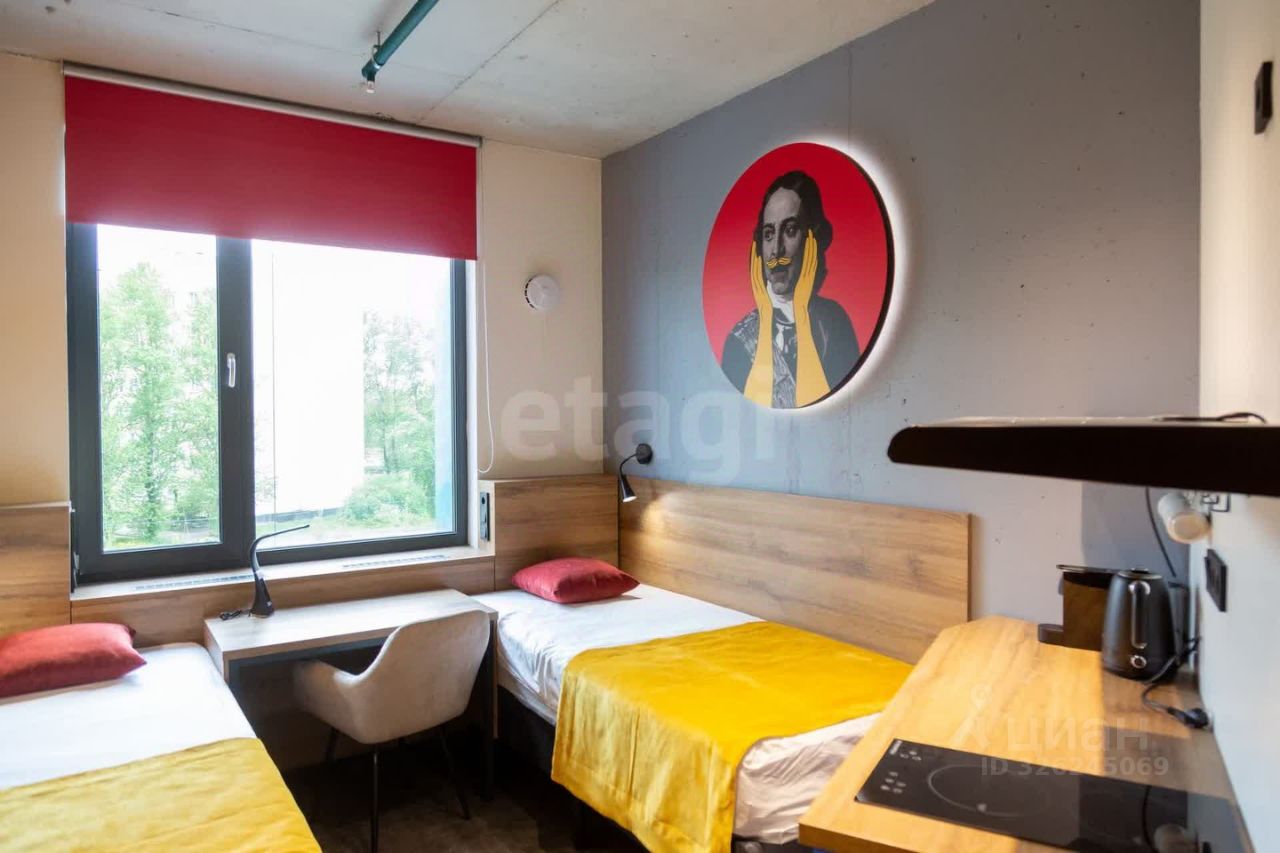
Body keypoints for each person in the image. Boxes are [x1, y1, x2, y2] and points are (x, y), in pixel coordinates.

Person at [721, 170, 859, 408]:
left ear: (812, 239)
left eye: (790, 230)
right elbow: (749, 412)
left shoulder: (833, 323)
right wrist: (765, 316)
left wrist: (801, 315)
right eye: (768, 234)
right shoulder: (739, 342)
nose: (776, 250)